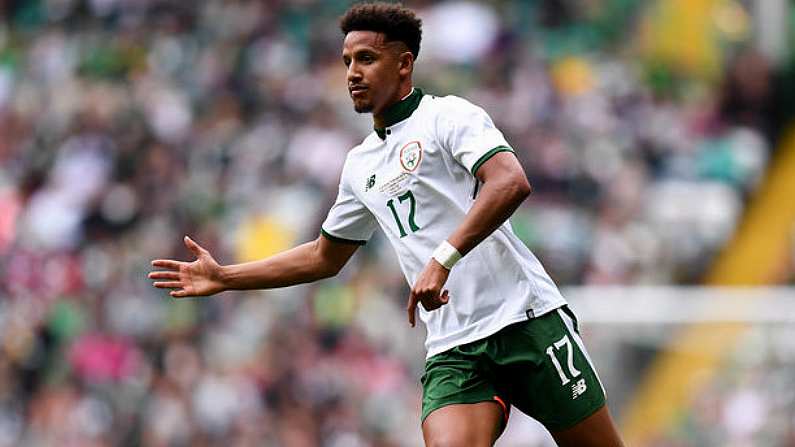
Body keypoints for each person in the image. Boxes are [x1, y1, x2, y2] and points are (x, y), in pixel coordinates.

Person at [148, 3, 625, 446]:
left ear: (404, 64)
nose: (353, 73)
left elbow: (510, 182)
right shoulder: (360, 165)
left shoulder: (449, 116)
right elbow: (324, 256)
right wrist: (227, 276)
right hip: (454, 347)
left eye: (367, 59)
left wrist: (443, 259)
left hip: (524, 318)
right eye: (347, 61)